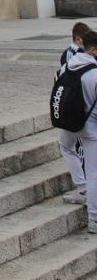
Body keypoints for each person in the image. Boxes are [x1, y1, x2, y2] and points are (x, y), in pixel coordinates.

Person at [61, 27, 97, 235]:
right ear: (93, 51)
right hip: (90, 126)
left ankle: (81, 185)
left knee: (66, 147)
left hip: (68, 122)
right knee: (94, 172)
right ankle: (93, 219)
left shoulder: (67, 66)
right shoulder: (93, 73)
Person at [56, 23, 93, 202]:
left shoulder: (72, 63)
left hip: (74, 117)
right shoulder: (71, 57)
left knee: (68, 147)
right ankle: (85, 192)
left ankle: (83, 190)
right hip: (82, 117)